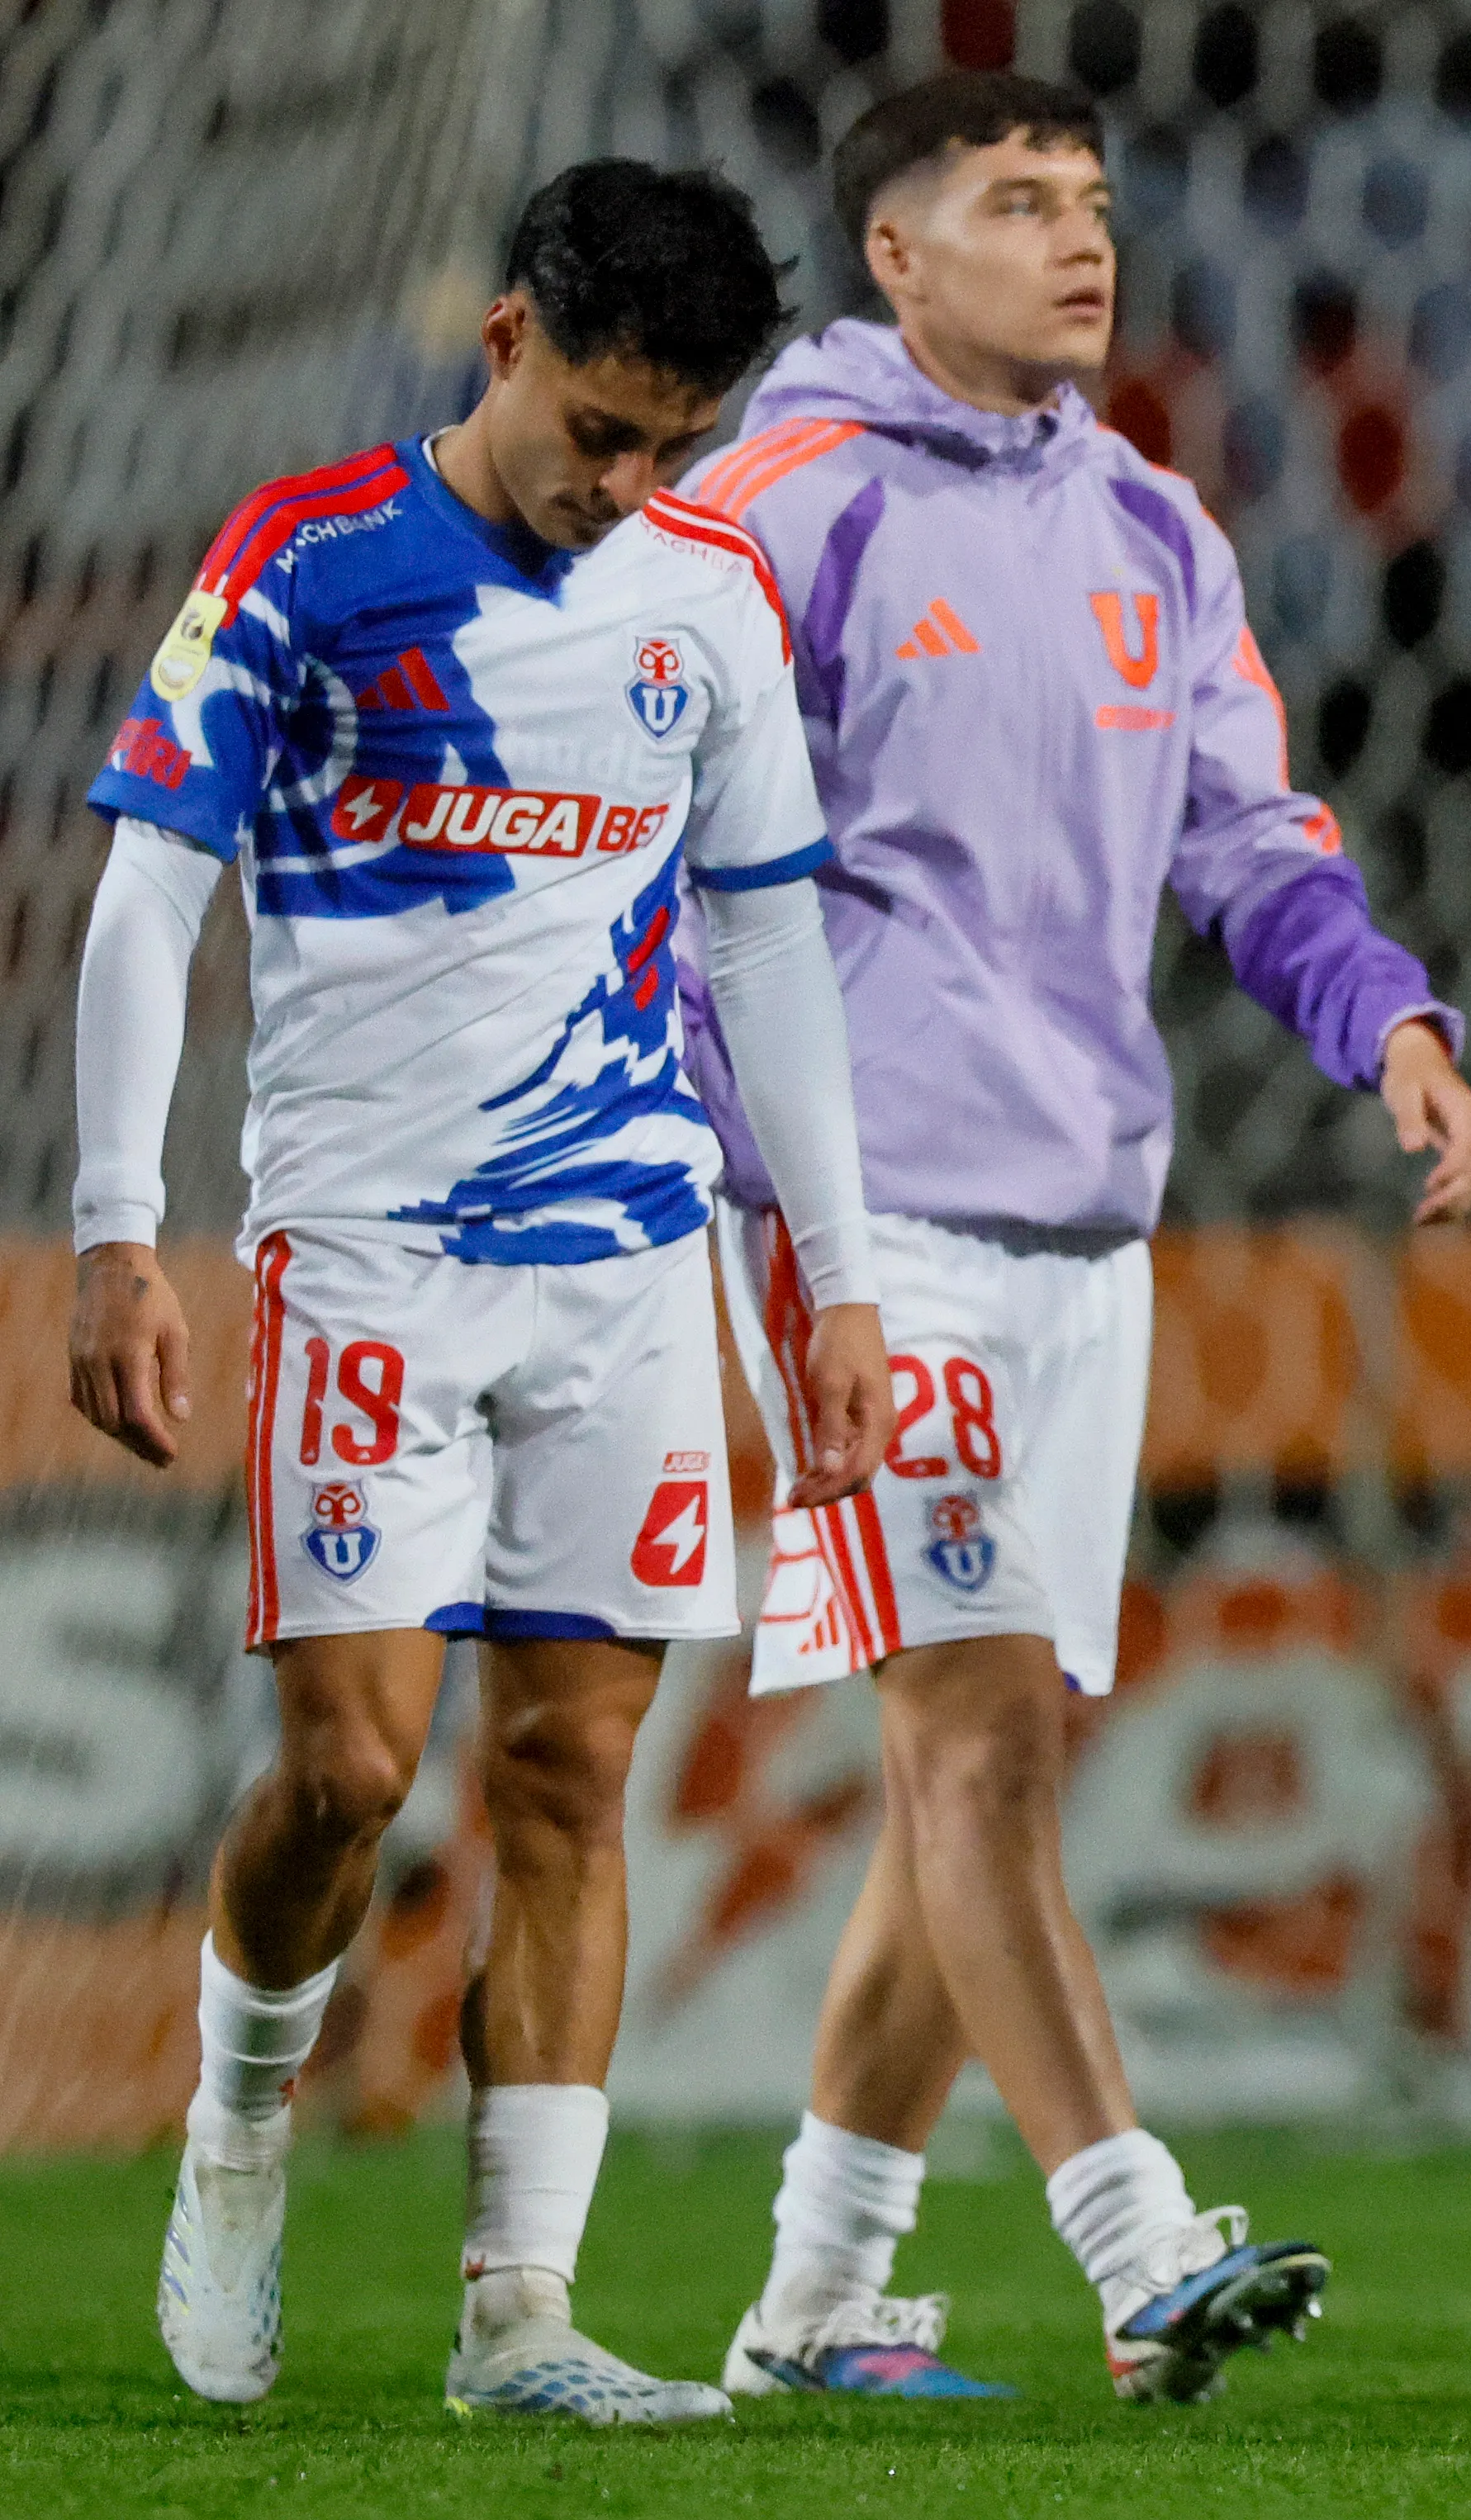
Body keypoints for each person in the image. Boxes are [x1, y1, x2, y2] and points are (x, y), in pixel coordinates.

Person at [673, 73, 1471, 2401]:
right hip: (872, 1224)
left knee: (982, 1768)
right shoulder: (778, 513)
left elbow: (1255, 841)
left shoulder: (1151, 526)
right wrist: (767, 1200)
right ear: (894, 258)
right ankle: (1140, 2239)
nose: (1079, 238)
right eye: (1016, 201)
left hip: (1080, 1227)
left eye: (1097, 202)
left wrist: (1392, 1028)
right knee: (987, 1727)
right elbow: (655, 869)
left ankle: (816, 2300)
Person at [72, 159, 890, 2423]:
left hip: (625, 1265)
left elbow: (771, 943)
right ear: (507, 336)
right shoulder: (309, 558)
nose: (626, 486)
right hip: (367, 1258)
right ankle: (241, 2122)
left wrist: (828, 1272)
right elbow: (151, 897)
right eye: (601, 434)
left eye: (675, 447)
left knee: (570, 1767)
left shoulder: (709, 600)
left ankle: (520, 2309)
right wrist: (113, 1224)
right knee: (346, 1762)